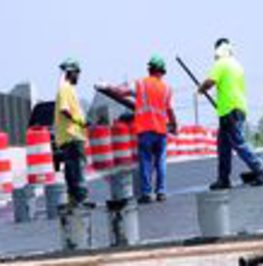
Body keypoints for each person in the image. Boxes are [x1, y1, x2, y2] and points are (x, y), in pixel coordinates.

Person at [96, 55, 177, 203]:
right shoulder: (167, 89)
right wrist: (174, 125)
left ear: (150, 69)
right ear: (162, 72)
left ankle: (146, 193)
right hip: (161, 130)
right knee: (160, 162)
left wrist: (106, 86)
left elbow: (121, 92)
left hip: (145, 130)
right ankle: (161, 191)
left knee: (145, 161)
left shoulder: (140, 84)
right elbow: (170, 110)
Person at [198, 38, 263, 190]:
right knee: (223, 147)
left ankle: (261, 169)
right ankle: (223, 179)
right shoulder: (236, 65)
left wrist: (201, 88)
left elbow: (210, 82)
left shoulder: (221, 64)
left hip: (229, 111)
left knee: (238, 143)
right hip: (236, 109)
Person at [54, 58, 89, 205]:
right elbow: (64, 110)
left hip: (70, 136)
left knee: (71, 168)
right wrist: (80, 121)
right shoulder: (65, 88)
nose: (78, 76)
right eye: (77, 73)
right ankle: (81, 198)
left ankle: (74, 199)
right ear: (71, 72)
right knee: (78, 168)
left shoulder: (67, 88)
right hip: (72, 135)